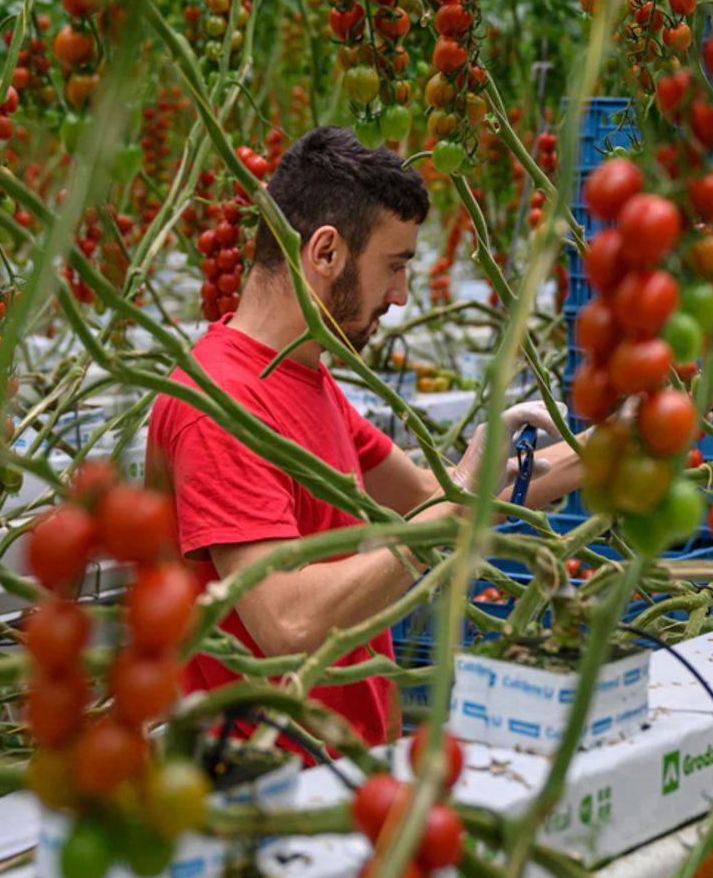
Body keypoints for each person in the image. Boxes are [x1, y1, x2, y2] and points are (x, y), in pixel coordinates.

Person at [147, 126, 583, 756]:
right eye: (395, 266)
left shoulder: (303, 377)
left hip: (341, 773)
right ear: (325, 253)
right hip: (266, 797)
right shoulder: (220, 405)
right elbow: (288, 622)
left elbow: (427, 496)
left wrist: (615, 446)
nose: (402, 296)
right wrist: (449, 508)